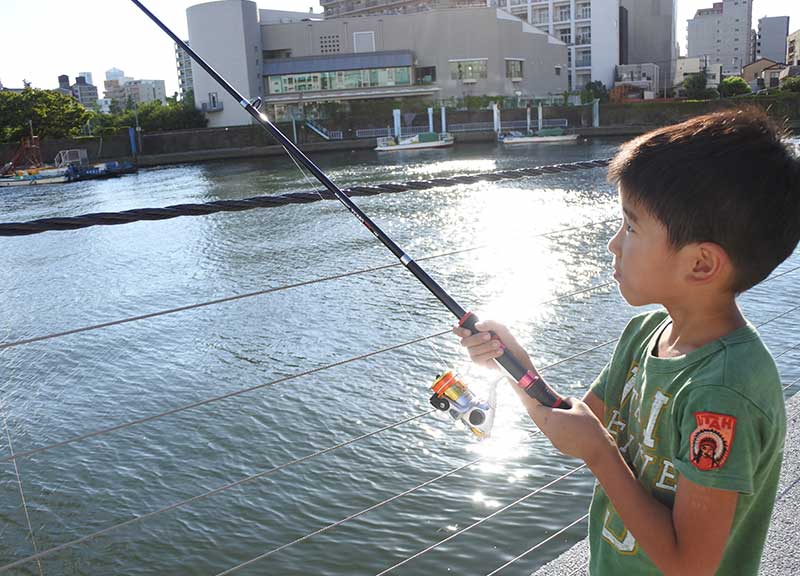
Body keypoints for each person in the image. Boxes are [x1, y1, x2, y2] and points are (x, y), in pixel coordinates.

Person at [454, 109, 800, 575]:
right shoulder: (644, 335)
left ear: (700, 265)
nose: (614, 245)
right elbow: (573, 426)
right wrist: (514, 361)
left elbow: (690, 566)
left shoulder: (725, 390)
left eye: (631, 227)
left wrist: (601, 455)